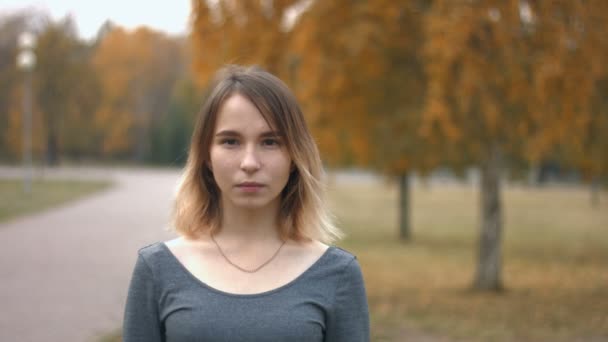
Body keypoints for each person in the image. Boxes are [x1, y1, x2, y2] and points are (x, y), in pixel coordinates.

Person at [123, 65, 370, 341]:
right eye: (230, 141)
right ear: (206, 155)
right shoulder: (158, 269)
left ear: (294, 156)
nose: (249, 163)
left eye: (270, 142)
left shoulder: (337, 274)